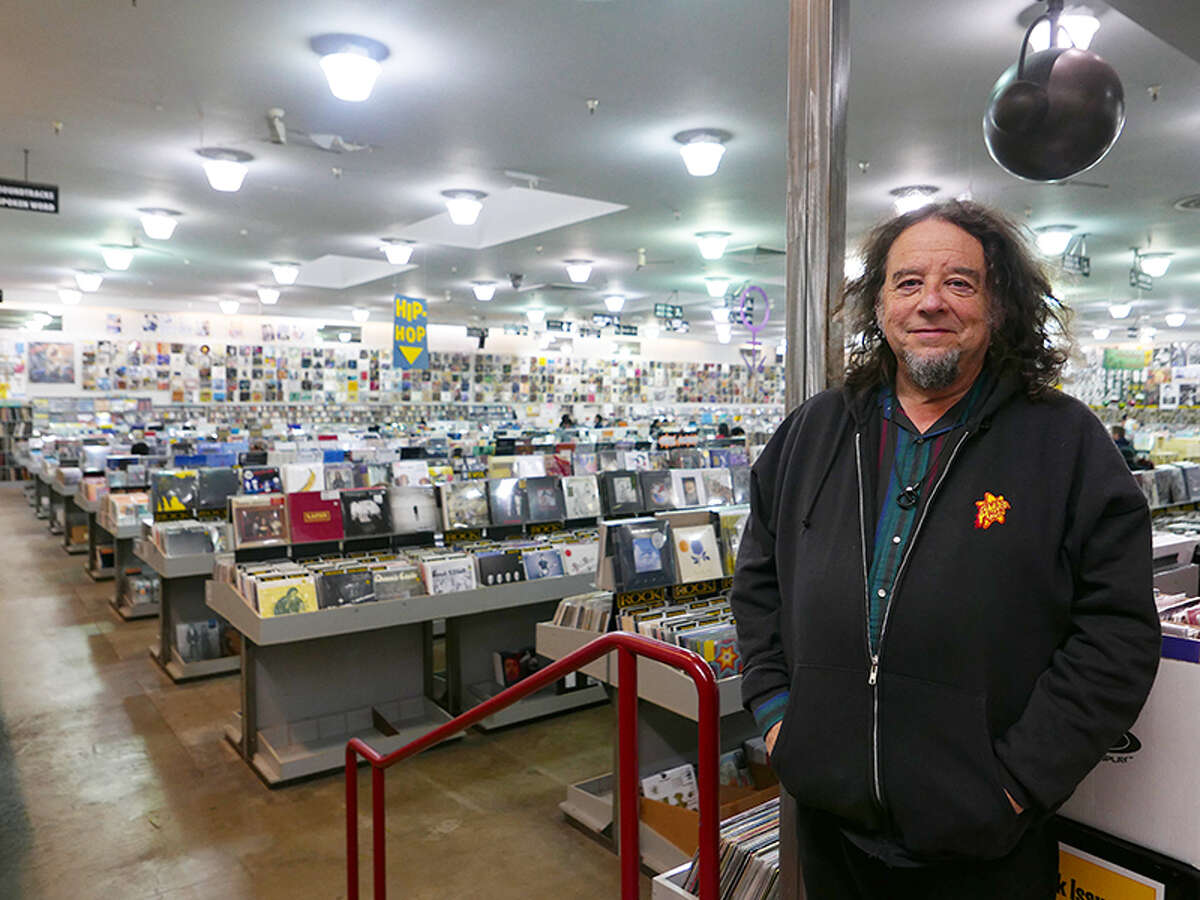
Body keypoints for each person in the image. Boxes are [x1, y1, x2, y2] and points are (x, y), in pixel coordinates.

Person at [730, 201, 1160, 899]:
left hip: (985, 845)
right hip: (830, 829)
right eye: (907, 283)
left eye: (960, 283)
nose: (931, 302)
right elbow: (757, 585)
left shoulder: (1066, 445)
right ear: (879, 305)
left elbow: (1116, 634)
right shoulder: (813, 432)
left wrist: (1016, 784)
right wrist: (780, 719)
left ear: (1000, 307)